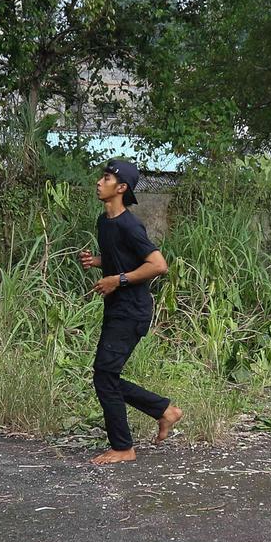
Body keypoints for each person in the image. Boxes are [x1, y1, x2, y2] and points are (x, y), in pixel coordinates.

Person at [78, 158, 183, 465]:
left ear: (121, 188)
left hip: (132, 311)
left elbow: (158, 265)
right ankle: (164, 410)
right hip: (117, 309)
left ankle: (124, 447)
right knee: (105, 375)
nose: (100, 181)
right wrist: (99, 262)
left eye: (107, 178)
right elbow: (122, 258)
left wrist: (117, 279)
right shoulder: (104, 222)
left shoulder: (129, 224)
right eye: (101, 176)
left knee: (105, 376)